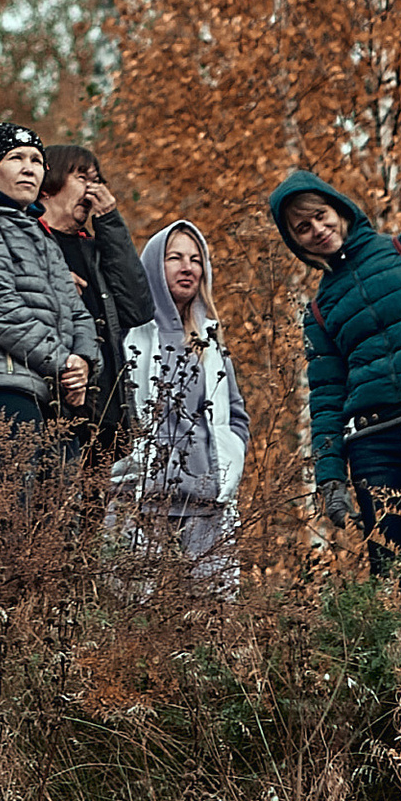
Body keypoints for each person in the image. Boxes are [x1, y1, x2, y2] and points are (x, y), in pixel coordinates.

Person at [268, 177, 401, 577]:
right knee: (390, 571)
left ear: (340, 209)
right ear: (296, 243)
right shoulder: (319, 310)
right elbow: (325, 396)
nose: (318, 231)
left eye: (320, 217)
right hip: (375, 443)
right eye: (303, 229)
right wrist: (329, 478)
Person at [0, 122, 90, 495]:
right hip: (3, 384)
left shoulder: (39, 233)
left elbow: (77, 310)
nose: (29, 167)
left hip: (51, 390)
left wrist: (84, 362)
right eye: (16, 158)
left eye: (37, 160)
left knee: (58, 519)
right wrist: (63, 361)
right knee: (12, 514)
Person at [113, 218, 248, 591]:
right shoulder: (128, 335)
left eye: (195, 259)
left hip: (208, 505)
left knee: (213, 620)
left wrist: (232, 456)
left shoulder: (210, 339)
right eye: (174, 257)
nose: (187, 267)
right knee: (135, 619)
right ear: (154, 266)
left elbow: (236, 413)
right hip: (142, 503)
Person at [38, 144, 155, 465]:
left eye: (98, 180)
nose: (95, 190)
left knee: (89, 515)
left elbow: (138, 309)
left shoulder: (97, 248)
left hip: (104, 418)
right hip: (50, 409)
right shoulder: (27, 242)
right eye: (82, 178)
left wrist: (110, 221)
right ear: (48, 186)